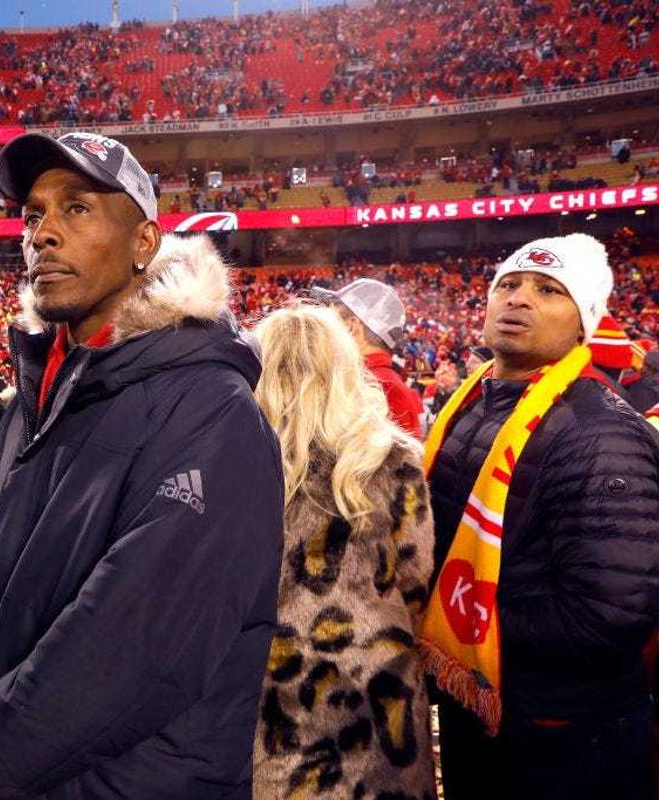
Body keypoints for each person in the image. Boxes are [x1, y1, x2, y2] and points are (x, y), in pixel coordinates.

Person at [0, 131, 284, 799]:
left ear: (144, 244)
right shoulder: (31, 402)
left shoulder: (212, 413)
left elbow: (128, 654)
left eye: (77, 209)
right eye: (33, 214)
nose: (42, 234)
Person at [423, 233, 659, 800]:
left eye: (548, 290)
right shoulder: (475, 402)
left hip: (564, 731)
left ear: (584, 324)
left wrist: (454, 621)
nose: (519, 299)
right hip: (483, 704)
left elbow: (609, 613)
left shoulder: (601, 433)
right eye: (508, 284)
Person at [250, 304, 436, 800]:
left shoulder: (231, 455)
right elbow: (416, 580)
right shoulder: (391, 455)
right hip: (375, 681)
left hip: (263, 678)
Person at [314, 278, 423, 437]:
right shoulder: (372, 381)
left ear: (352, 326)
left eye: (333, 322)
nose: (326, 331)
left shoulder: (383, 388)